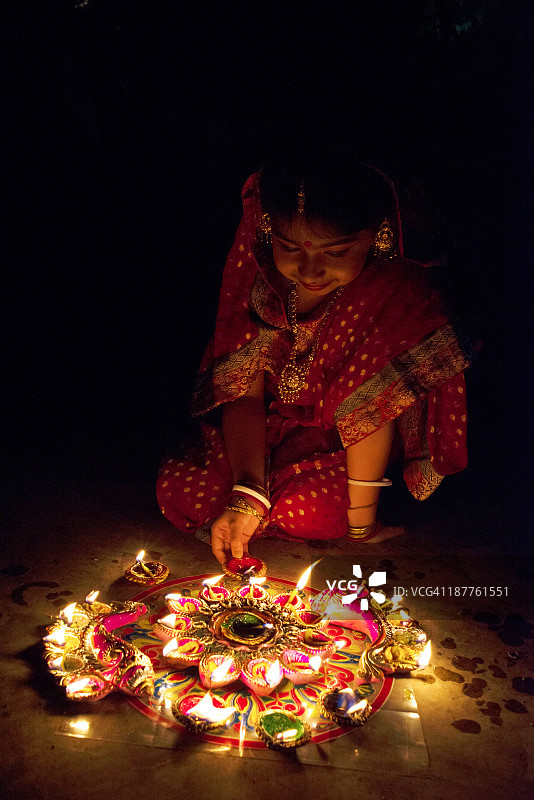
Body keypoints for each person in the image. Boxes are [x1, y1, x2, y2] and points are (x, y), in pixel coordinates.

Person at [157, 151, 475, 566]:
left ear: (376, 234)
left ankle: (314, 512)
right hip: (265, 425)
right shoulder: (259, 276)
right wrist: (247, 492)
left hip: (344, 440)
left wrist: (362, 523)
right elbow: (244, 392)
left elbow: (371, 413)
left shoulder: (392, 293)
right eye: (289, 247)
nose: (309, 269)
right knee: (181, 491)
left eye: (336, 253)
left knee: (314, 511)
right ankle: (254, 504)